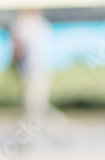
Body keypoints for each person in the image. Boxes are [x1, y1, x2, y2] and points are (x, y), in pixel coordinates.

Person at [11, 9, 71, 147]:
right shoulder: (43, 25)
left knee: (34, 108)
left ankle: (56, 131)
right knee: (36, 106)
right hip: (42, 71)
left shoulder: (27, 25)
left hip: (33, 73)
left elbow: (17, 45)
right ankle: (28, 139)